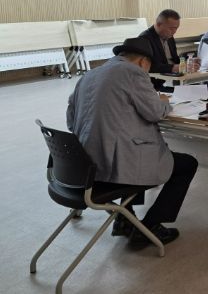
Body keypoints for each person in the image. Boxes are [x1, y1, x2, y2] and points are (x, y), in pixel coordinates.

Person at [66, 37, 198, 247]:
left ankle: (124, 219)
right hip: (112, 167)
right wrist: (164, 102)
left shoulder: (89, 75)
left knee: (135, 148)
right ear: (143, 62)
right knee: (185, 164)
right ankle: (150, 227)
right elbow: (154, 112)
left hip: (84, 166)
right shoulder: (133, 72)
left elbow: (70, 121)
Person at [140, 9, 198, 91]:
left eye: (176, 28)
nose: (174, 32)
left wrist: (188, 62)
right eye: (171, 28)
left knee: (197, 89)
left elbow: (175, 59)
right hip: (156, 84)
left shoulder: (169, 37)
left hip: (173, 79)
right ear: (159, 24)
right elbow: (147, 66)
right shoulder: (145, 39)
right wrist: (173, 68)